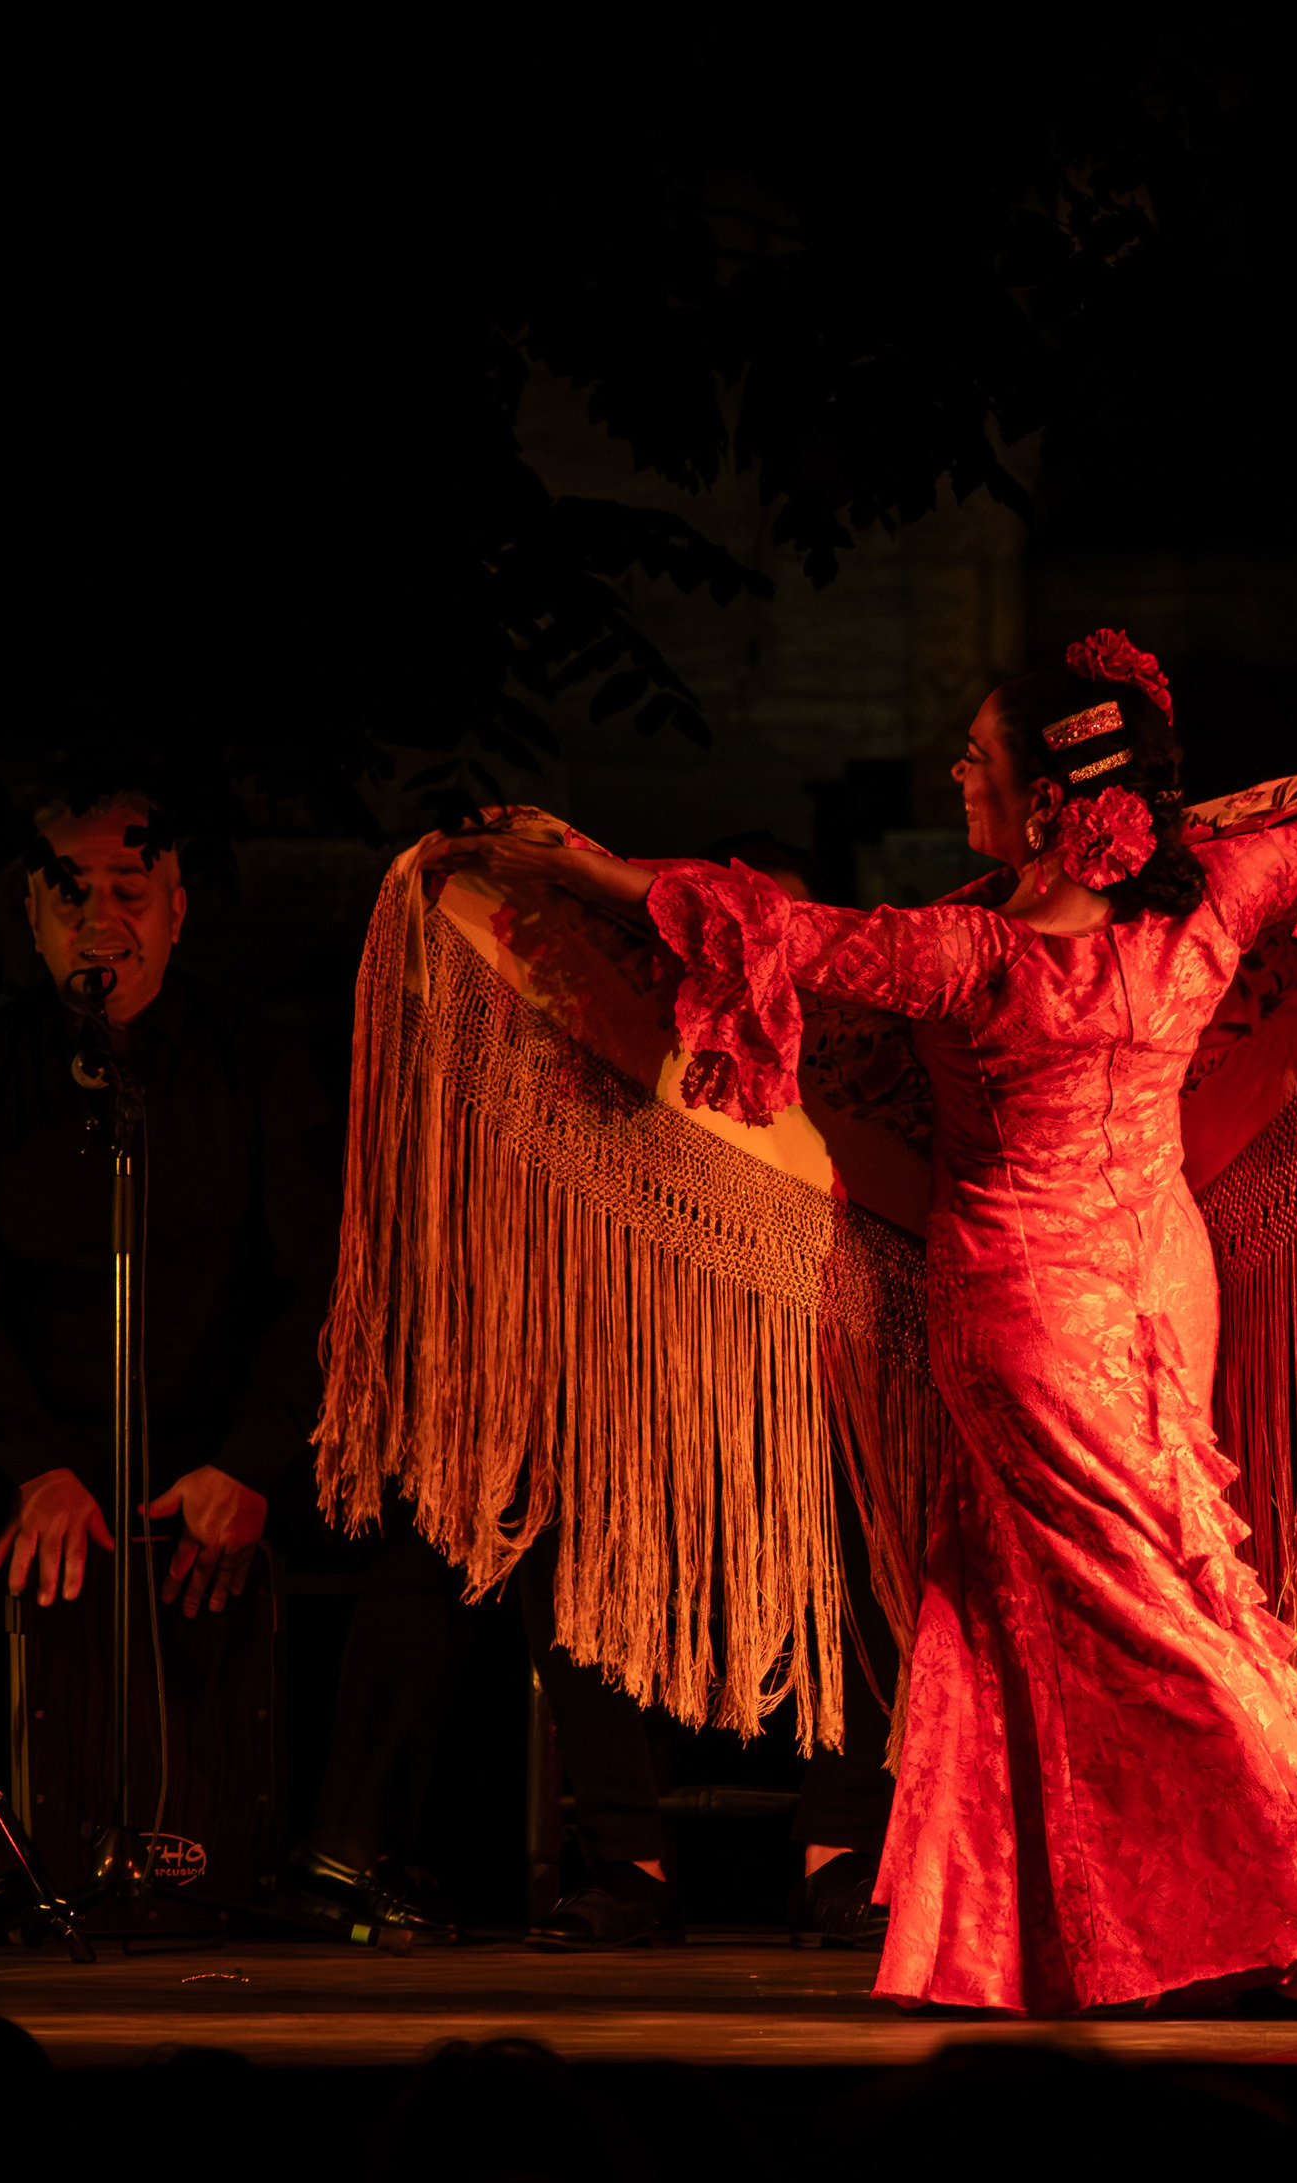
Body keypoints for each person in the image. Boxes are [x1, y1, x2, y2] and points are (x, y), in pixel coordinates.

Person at [425, 634, 1297, 2016]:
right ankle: (1097, 1940)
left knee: (1130, 1613)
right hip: (1156, 1289)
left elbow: (779, 935)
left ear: (1042, 807)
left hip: (1028, 1310)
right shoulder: (1205, 909)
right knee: (1034, 1608)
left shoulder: (975, 955)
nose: (956, 772)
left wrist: (593, 871)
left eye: (979, 758)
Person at [292, 832, 905, 1951]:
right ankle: (627, 1860)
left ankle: (842, 1850)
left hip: (809, 1440)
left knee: (887, 1506)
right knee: (557, 1509)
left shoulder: (864, 1071)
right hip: (655, 1445)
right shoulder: (627, 1068)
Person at [0, 789, 336, 1880]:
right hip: (31, 1450)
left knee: (441, 1534)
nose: (99, 918)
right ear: (31, 919)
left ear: (177, 910)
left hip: (224, 1438)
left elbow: (327, 1285)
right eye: (69, 893)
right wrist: (32, 1464)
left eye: (128, 891)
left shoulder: (260, 1064)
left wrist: (251, 1458)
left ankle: (345, 1849)